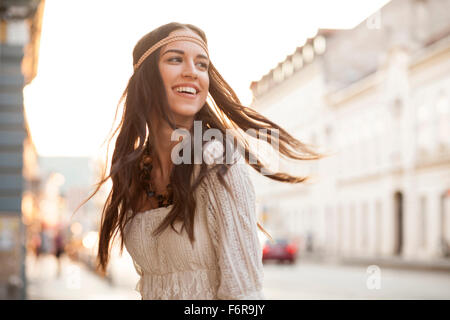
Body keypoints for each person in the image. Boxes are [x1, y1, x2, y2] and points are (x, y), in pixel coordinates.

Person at [79, 22, 325, 300]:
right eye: (175, 59)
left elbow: (244, 297)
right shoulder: (137, 173)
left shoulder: (218, 163)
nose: (192, 72)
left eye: (201, 64)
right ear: (146, 78)